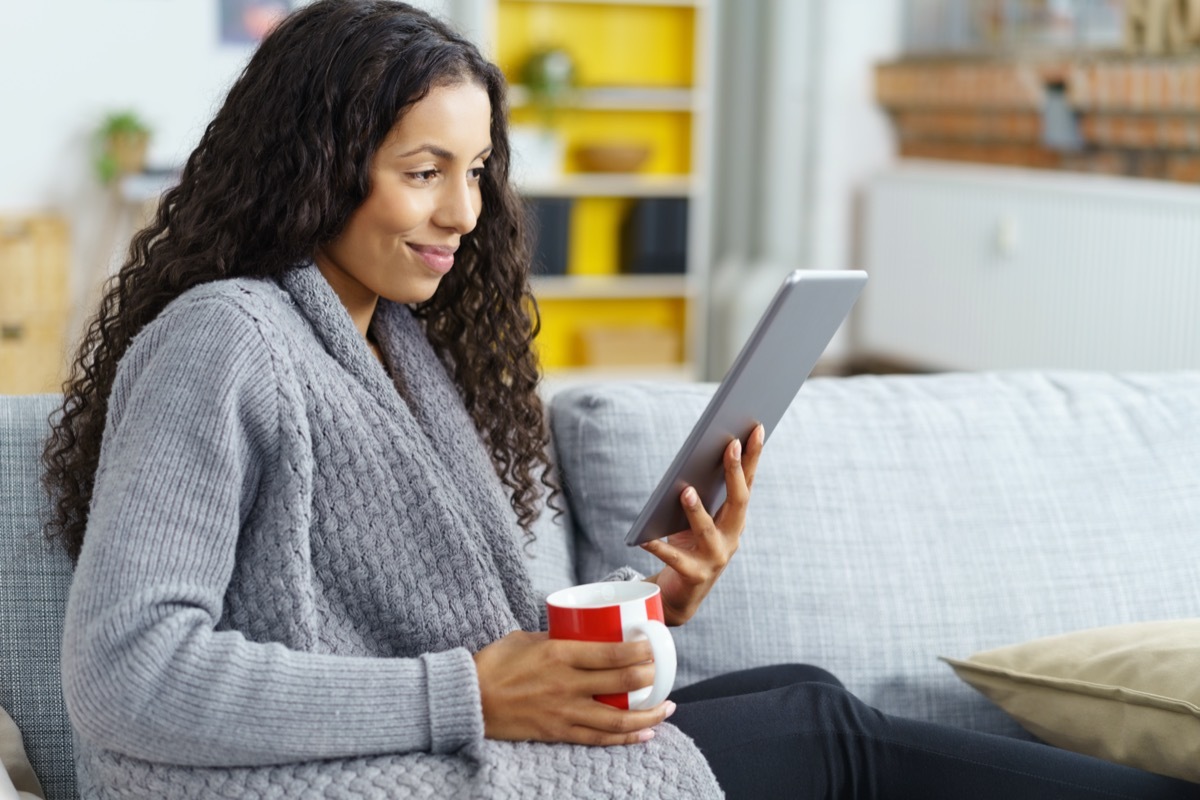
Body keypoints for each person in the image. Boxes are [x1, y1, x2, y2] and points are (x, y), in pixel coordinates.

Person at [42, 2, 1200, 798]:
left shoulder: (390, 340)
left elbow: (479, 658)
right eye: (423, 170)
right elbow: (129, 669)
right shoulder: (224, 337)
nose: (461, 212)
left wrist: (654, 600)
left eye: (478, 169)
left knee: (800, 688)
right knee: (822, 731)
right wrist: (472, 688)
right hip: (298, 778)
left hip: (411, 748)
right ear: (314, 163)